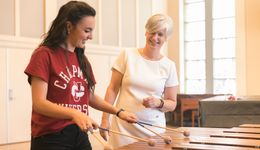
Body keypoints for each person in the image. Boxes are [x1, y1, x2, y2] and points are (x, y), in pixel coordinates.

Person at [24, 1, 138, 150]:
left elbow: (89, 97)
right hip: (51, 137)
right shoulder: (44, 55)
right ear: (69, 26)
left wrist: (118, 111)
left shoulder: (82, 59)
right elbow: (39, 103)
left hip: (79, 133)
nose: (90, 36)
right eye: (87, 30)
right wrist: (74, 114)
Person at [100, 14, 179, 148]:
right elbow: (112, 88)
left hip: (154, 129)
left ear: (166, 38)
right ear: (146, 32)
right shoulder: (127, 55)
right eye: (152, 32)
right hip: (123, 127)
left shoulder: (169, 65)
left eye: (160, 34)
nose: (155, 38)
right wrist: (105, 119)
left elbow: (172, 103)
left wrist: (159, 103)